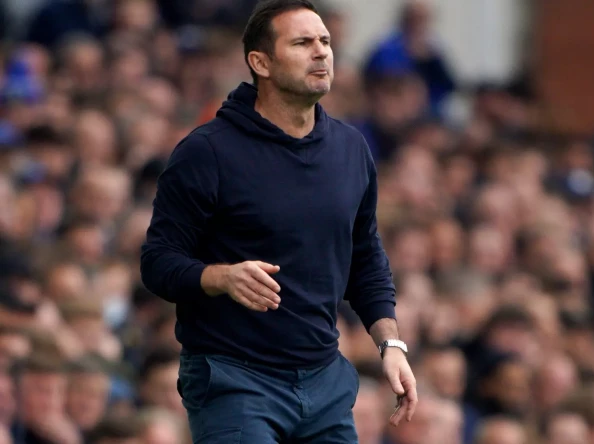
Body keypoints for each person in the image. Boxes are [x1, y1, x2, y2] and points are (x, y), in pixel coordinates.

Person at [139, 0, 418, 442]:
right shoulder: (207, 151)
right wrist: (220, 276)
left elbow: (365, 258)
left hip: (325, 380)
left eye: (325, 41)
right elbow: (157, 262)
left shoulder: (350, 148)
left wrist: (391, 345)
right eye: (303, 42)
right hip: (234, 378)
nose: (322, 52)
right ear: (260, 62)